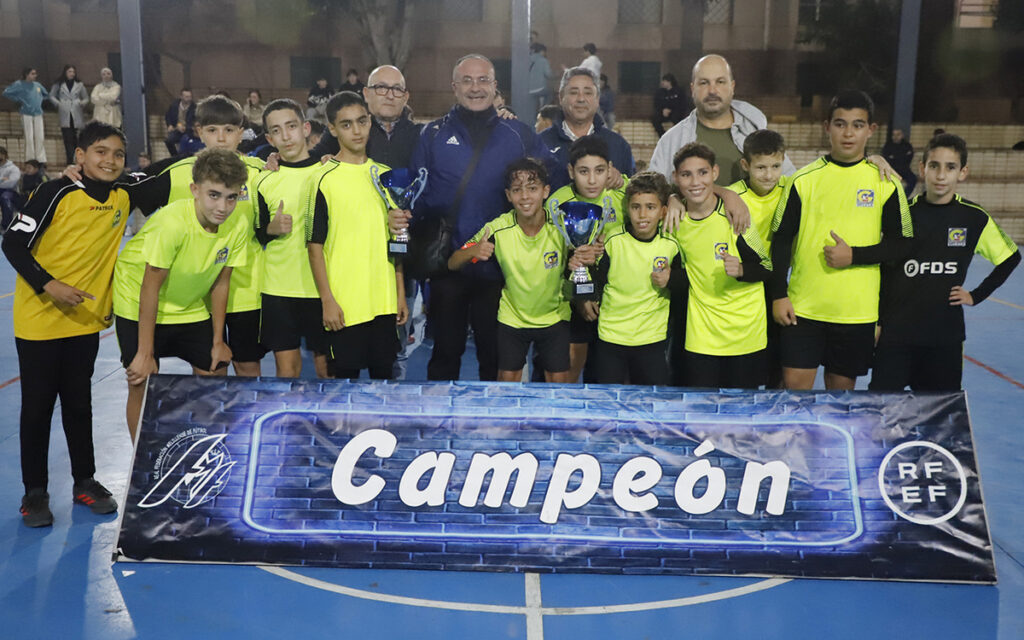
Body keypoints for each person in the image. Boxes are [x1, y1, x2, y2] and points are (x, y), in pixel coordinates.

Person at [2, 121, 132, 527]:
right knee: (37, 408)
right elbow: (12, 242)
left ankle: (85, 481)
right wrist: (49, 284)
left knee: (79, 404)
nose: (109, 160)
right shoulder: (54, 192)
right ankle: (35, 493)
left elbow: (167, 173)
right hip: (39, 322)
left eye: (118, 154)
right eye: (100, 152)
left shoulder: (124, 194)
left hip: (84, 322)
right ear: (80, 156)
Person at [407, 54, 549, 381]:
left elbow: (550, 183)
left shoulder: (518, 133)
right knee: (444, 355)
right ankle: (441, 414)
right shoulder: (432, 134)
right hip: (448, 264)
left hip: (500, 268)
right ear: (454, 87)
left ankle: (493, 416)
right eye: (467, 81)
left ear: (495, 86)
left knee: (495, 357)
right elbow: (415, 194)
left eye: (483, 80)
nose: (475, 88)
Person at [770, 90, 912, 391]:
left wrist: (854, 256)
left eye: (857, 125)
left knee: (840, 398)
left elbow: (901, 244)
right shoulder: (802, 180)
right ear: (827, 127)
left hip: (856, 313)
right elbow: (780, 241)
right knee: (794, 390)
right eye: (840, 124)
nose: (848, 133)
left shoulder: (886, 183)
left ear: (870, 130)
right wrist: (779, 295)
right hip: (803, 309)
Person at [116, 95, 267, 377]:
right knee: (149, 376)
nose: (220, 138)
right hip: (177, 297)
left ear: (240, 132)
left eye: (228, 130)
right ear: (199, 131)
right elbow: (119, 190)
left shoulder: (261, 172)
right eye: (212, 130)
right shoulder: (175, 175)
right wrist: (81, 174)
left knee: (233, 368)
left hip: (234, 293)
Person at [112, 148, 250, 438]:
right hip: (138, 300)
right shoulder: (172, 223)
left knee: (215, 367)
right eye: (214, 195)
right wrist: (145, 353)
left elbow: (221, 283)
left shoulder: (238, 224)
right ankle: (140, 458)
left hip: (187, 305)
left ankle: (207, 447)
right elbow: (150, 286)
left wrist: (218, 341)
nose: (223, 207)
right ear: (195, 190)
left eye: (231, 197)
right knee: (142, 379)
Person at [871, 133, 1020, 391]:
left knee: (940, 410)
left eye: (950, 167)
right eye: (934, 166)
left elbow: (1010, 258)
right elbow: (884, 272)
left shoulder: (973, 218)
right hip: (896, 336)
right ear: (922, 169)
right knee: (881, 408)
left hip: (944, 338)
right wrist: (878, 322)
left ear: (963, 172)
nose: (941, 175)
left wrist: (976, 295)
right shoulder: (904, 214)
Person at [308, 91, 408, 380]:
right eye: (346, 124)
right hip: (345, 304)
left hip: (383, 302)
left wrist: (400, 293)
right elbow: (314, 247)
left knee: (383, 384)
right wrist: (327, 300)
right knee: (343, 385)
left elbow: (397, 242)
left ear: (370, 122)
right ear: (332, 129)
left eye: (362, 121)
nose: (356, 130)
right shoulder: (322, 178)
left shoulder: (386, 176)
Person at [448, 157, 571, 383]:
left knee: (560, 388)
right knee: (506, 384)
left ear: (545, 191)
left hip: (554, 317)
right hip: (513, 318)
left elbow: (584, 256)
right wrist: (473, 251)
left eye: (532, 189)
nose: (525, 197)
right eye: (517, 190)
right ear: (508, 195)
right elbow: (453, 262)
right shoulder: (497, 228)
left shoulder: (563, 225)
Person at [673, 143, 772, 388]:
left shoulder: (735, 216)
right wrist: (671, 197)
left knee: (741, 407)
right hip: (701, 334)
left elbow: (767, 267)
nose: (695, 182)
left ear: (715, 172)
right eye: (686, 175)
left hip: (745, 333)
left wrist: (742, 270)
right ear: (676, 178)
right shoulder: (674, 221)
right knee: (701, 404)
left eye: (703, 173)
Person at [254, 98, 332, 379]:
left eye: (291, 126)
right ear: (269, 139)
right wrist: (270, 229)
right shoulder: (262, 180)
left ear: (305, 128)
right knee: (287, 372)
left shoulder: (329, 172)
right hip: (279, 289)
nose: (286, 136)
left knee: (328, 372)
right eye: (276, 130)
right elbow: (257, 231)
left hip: (322, 288)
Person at [585, 172, 682, 385]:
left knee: (651, 400)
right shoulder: (612, 240)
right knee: (609, 398)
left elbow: (684, 284)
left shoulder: (671, 244)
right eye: (636, 207)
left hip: (652, 338)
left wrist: (671, 279)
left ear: (663, 212)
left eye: (650, 207)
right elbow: (596, 277)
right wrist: (585, 297)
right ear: (628, 209)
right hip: (611, 336)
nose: (642, 214)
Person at [544, 135, 626, 382]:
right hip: (570, 300)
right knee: (567, 373)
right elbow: (550, 260)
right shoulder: (556, 204)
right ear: (571, 171)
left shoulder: (624, 193)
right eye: (583, 171)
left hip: (617, 301)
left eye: (599, 171)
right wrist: (579, 297)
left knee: (608, 378)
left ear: (610, 169)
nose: (592, 180)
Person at [650, 55, 795, 184]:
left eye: (720, 82)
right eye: (704, 83)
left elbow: (791, 184)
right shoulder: (671, 141)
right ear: (693, 89)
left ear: (732, 87)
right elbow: (654, 193)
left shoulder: (757, 133)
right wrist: (673, 198)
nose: (712, 91)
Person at [727, 129, 789, 388]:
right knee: (749, 360)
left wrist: (875, 159)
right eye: (761, 167)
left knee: (780, 356)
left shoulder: (792, 189)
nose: (769, 175)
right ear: (745, 165)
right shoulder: (732, 196)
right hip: (747, 284)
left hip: (783, 283)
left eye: (775, 166)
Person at [310, 65, 423, 170]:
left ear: (405, 97)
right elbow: (310, 160)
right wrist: (323, 160)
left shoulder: (421, 136)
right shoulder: (345, 128)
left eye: (397, 89)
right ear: (366, 94)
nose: (390, 96)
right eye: (381, 87)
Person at [539, 66, 634, 191]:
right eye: (574, 93)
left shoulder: (618, 145)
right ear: (561, 98)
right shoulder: (540, 144)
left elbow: (634, 194)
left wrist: (621, 182)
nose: (581, 99)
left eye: (588, 93)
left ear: (597, 99)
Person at [3, 68, 49, 164]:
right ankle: (30, 159)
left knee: (40, 137)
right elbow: (6, 92)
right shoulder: (19, 84)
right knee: (29, 137)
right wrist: (18, 99)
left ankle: (41, 159)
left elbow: (46, 94)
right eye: (32, 73)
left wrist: (40, 99)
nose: (35, 75)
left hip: (38, 113)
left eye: (35, 73)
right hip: (26, 113)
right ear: (26, 74)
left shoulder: (37, 85)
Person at [49, 65, 90, 166]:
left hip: (76, 112)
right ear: (65, 72)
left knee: (77, 138)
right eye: (69, 72)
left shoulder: (79, 85)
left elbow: (86, 98)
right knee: (67, 138)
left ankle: (78, 160)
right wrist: (59, 104)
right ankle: (70, 160)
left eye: (73, 72)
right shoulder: (59, 84)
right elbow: (51, 96)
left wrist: (82, 103)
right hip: (65, 112)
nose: (72, 74)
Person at [651, 73, 688, 138]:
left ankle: (678, 137)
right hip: (663, 112)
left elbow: (682, 104)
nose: (662, 83)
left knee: (677, 119)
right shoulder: (660, 92)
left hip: (675, 112)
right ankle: (663, 136)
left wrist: (671, 110)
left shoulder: (678, 91)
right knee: (655, 119)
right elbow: (656, 103)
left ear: (669, 82)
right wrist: (663, 110)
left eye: (664, 81)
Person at [881, 128, 916, 194]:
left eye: (898, 134)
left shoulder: (907, 145)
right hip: (891, 170)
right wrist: (902, 156)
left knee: (913, 179)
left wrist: (894, 157)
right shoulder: (888, 146)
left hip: (904, 169)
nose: (895, 137)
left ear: (902, 135)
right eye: (894, 135)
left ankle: (904, 196)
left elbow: (909, 158)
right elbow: (886, 159)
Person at [165, 88, 196, 156]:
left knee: (186, 142)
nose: (189, 99)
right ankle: (175, 156)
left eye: (190, 97)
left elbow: (196, 122)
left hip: (189, 132)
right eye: (186, 97)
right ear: (181, 96)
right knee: (168, 141)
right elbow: (168, 116)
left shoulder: (194, 108)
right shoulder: (174, 105)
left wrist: (186, 127)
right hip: (177, 130)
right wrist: (169, 125)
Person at [528, 43, 552, 117]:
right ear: (542, 51)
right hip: (540, 89)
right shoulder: (543, 60)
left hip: (528, 89)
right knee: (550, 93)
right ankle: (543, 111)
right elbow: (548, 75)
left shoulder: (527, 59)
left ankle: (537, 111)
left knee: (535, 99)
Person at [0, 146, 21, 230]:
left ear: (5, 156)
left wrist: (4, 181)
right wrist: (2, 179)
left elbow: (11, 183)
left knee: (5, 198)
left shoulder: (13, 169)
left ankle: (7, 225)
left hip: (10, 192)